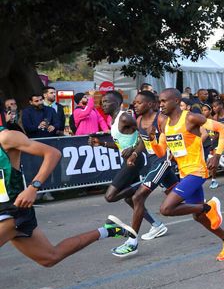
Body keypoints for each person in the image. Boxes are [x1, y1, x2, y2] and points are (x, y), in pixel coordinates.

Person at [0, 126, 136, 262]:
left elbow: (53, 154)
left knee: (50, 257)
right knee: (50, 258)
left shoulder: (7, 137)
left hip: (13, 209)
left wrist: (32, 188)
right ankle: (108, 230)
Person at [150, 88, 224, 261]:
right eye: (159, 101)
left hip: (197, 171)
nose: (160, 105)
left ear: (176, 101)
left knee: (166, 209)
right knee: (199, 217)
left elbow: (223, 129)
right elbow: (161, 152)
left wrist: (217, 155)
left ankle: (209, 207)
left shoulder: (190, 118)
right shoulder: (164, 124)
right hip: (184, 173)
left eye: (164, 101)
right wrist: (153, 140)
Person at [87, 91, 165, 257]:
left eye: (107, 102)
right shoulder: (114, 120)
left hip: (135, 160)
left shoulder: (124, 117)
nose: (103, 105)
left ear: (117, 103)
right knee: (131, 199)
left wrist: (134, 151)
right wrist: (101, 143)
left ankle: (146, 183)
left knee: (110, 196)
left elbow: (144, 135)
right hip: (128, 160)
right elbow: (121, 144)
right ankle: (157, 225)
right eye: (102, 102)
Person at [112, 90, 177, 257]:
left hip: (163, 161)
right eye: (135, 102)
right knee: (180, 196)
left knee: (137, 197)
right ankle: (206, 208)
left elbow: (174, 139)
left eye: (139, 103)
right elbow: (142, 140)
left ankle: (132, 242)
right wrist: (134, 153)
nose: (135, 105)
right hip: (153, 162)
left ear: (150, 104)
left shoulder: (161, 119)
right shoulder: (140, 120)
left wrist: (173, 157)